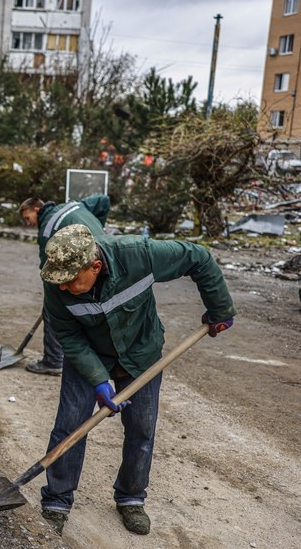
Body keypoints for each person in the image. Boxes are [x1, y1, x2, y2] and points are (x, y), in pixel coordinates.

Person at [38, 224, 235, 537]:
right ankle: (57, 501)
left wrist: (220, 307)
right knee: (70, 424)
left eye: (71, 282)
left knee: (141, 427)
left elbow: (199, 257)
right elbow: (67, 335)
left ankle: (131, 497)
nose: (62, 288)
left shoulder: (139, 254)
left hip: (140, 354)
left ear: (96, 266)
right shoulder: (57, 280)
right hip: (90, 355)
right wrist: (98, 379)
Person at [18, 194, 109, 376]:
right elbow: (103, 201)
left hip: (86, 262)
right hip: (106, 253)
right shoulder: (75, 205)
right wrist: (99, 229)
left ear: (36, 209)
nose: (28, 223)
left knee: (54, 308)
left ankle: (52, 360)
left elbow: (49, 273)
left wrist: (51, 302)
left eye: (28, 218)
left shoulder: (47, 230)